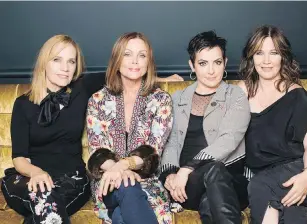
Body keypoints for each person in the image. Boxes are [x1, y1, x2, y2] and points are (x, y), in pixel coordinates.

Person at [0, 34, 106, 224]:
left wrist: (161, 77)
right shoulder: (23, 104)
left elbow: (123, 74)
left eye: (71, 61)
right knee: (45, 199)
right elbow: (19, 158)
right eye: (57, 60)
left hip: (71, 180)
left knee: (45, 209)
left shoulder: (81, 88)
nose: (65, 68)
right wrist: (36, 173)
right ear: (44, 63)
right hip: (28, 177)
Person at [238, 25, 307, 224]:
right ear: (251, 57)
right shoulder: (241, 93)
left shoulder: (296, 95)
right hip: (275, 178)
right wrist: (159, 78)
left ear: (283, 56)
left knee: (259, 186)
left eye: (273, 53)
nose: (266, 61)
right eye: (259, 53)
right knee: (293, 215)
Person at [160, 31, 250, 224]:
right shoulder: (177, 99)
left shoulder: (236, 96)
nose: (211, 71)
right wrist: (170, 174)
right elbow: (172, 141)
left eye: (217, 62)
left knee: (211, 192)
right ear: (192, 65)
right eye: (203, 63)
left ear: (225, 62)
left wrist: (187, 168)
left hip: (231, 181)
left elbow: (229, 139)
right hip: (188, 186)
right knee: (208, 191)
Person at [86, 32, 173, 224]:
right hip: (108, 182)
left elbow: (153, 150)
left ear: (148, 61)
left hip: (146, 183)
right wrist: (118, 171)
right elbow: (98, 151)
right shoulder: (98, 100)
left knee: (120, 216)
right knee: (126, 186)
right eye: (127, 54)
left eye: (141, 55)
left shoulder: (161, 100)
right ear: (117, 58)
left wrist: (124, 165)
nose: (135, 61)